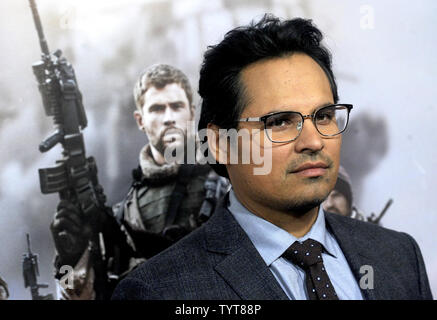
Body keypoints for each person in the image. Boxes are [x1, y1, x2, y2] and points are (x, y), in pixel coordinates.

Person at [112, 15, 432, 300]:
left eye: (323, 115)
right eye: (279, 122)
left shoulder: (399, 256)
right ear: (221, 143)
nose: (314, 141)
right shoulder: (159, 290)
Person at [50, 64, 228, 300]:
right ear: (140, 120)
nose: (169, 118)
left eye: (176, 107)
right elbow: (74, 295)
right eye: (156, 109)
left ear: (192, 113)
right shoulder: (124, 214)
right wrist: (71, 260)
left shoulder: (229, 184)